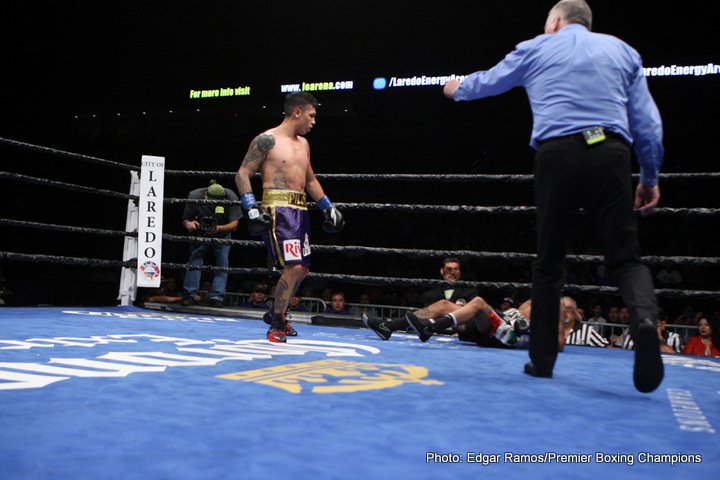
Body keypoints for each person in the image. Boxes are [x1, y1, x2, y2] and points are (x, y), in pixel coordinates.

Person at [443, 0, 664, 392]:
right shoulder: (622, 50)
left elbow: (492, 79)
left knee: (549, 262)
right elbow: (647, 122)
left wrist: (458, 89)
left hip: (557, 153)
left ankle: (542, 361)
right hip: (610, 150)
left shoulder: (537, 47)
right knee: (626, 258)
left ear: (556, 21)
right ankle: (645, 321)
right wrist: (648, 176)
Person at [235, 92, 344, 343]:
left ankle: (278, 313)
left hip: (300, 211)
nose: (314, 121)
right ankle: (276, 322)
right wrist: (251, 208)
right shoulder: (266, 140)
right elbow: (242, 174)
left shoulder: (304, 144)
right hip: (277, 210)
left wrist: (328, 207)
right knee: (293, 267)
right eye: (311, 115)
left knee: (302, 270)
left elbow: (310, 180)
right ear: (297, 112)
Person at [363, 296, 530, 349]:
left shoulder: (555, 307)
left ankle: (429, 327)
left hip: (506, 335)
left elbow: (556, 343)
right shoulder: (530, 302)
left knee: (478, 302)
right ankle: (388, 327)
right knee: (443, 305)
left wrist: (526, 336)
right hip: (493, 324)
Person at [180, 181, 242, 308]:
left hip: (222, 232)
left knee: (222, 262)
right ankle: (189, 295)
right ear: (206, 195)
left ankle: (217, 297)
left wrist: (217, 229)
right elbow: (185, 218)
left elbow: (234, 224)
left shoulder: (230, 197)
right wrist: (189, 224)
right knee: (195, 259)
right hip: (200, 233)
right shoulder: (194, 196)